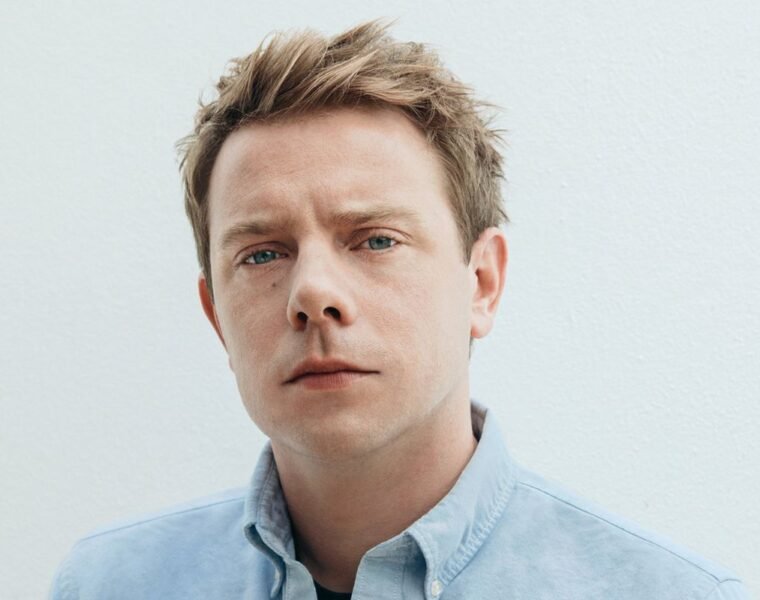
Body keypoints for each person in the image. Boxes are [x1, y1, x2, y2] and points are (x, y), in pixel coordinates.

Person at [49, 20, 749, 600]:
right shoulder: (107, 586)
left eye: (376, 240)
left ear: (482, 283)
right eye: (262, 254)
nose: (312, 294)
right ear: (216, 318)